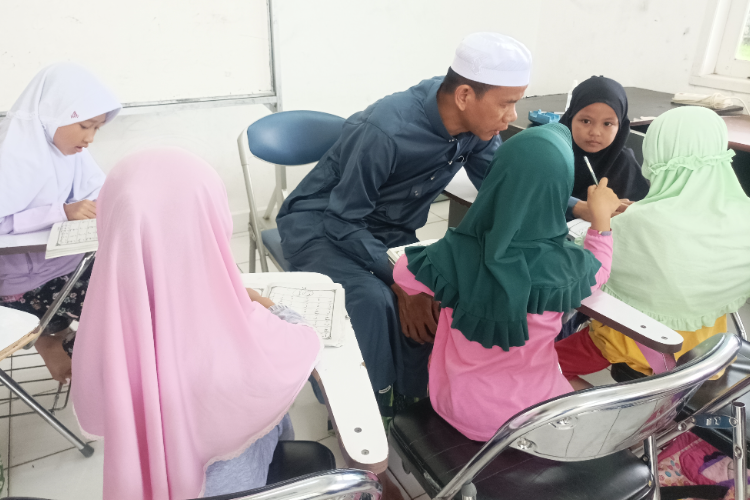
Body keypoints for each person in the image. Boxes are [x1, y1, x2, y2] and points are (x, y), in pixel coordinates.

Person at [277, 32, 596, 417]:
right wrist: (400, 282)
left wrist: (582, 209)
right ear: (465, 95)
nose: (512, 117)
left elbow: (505, 182)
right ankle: (367, 409)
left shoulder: (477, 127)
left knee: (437, 291)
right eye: (506, 104)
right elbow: (343, 219)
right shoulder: (387, 130)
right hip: (322, 226)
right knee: (374, 299)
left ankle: (414, 398)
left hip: (388, 232)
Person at [71, 149, 322, 499]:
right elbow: (301, 342)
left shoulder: (101, 331)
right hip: (249, 486)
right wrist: (265, 304)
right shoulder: (235, 334)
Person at [392, 123, 621, 441]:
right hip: (530, 417)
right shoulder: (569, 266)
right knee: (584, 405)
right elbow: (601, 269)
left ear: (495, 181)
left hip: (453, 403)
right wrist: (601, 222)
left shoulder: (450, 254)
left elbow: (403, 270)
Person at [556, 106, 750, 385]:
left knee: (541, 366)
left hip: (633, 343)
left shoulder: (643, 223)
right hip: (707, 349)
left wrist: (604, 219)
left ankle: (613, 412)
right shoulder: (743, 214)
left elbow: (587, 266)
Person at [0, 63, 121, 383]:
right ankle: (67, 348)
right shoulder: (9, 158)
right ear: (53, 115)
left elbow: (99, 190)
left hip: (70, 265)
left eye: (97, 128)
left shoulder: (70, 152)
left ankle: (61, 343)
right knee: (124, 311)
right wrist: (61, 212)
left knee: (139, 280)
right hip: (24, 285)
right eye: (84, 125)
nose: (90, 138)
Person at [559, 75, 650, 216]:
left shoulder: (625, 165)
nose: (595, 132)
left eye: (607, 124)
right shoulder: (552, 155)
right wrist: (575, 207)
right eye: (586, 121)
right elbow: (533, 195)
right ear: (570, 118)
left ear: (620, 127)